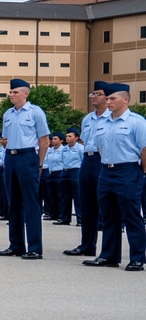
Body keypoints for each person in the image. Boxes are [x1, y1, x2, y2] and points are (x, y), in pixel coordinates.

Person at [82, 83, 146, 271]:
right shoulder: (102, 123)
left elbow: (144, 150)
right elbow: (100, 147)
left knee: (131, 216)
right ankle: (109, 255)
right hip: (106, 171)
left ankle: (137, 258)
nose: (108, 102)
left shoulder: (137, 122)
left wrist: (140, 172)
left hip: (128, 170)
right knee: (109, 216)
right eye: (107, 98)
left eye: (112, 99)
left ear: (125, 99)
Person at [0, 78, 50, 260]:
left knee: (31, 203)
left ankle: (34, 247)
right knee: (13, 202)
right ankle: (16, 245)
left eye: (15, 92)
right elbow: (6, 138)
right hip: (11, 156)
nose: (11, 95)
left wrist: (39, 163)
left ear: (25, 94)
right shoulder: (8, 114)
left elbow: (44, 141)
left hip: (28, 157)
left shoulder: (35, 113)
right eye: (10, 92)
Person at [64, 81, 109, 257]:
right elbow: (85, 141)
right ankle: (87, 245)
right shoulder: (88, 118)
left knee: (104, 205)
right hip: (87, 160)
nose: (94, 97)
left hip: (102, 160)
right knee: (87, 205)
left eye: (98, 94)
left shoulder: (111, 117)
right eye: (93, 94)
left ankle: (107, 249)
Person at [56, 127, 83, 226]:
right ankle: (65, 218)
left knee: (77, 196)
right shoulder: (65, 149)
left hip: (76, 171)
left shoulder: (80, 148)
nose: (67, 138)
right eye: (67, 136)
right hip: (65, 171)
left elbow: (83, 160)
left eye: (70, 136)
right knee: (65, 196)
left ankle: (80, 219)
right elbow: (62, 160)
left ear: (76, 138)